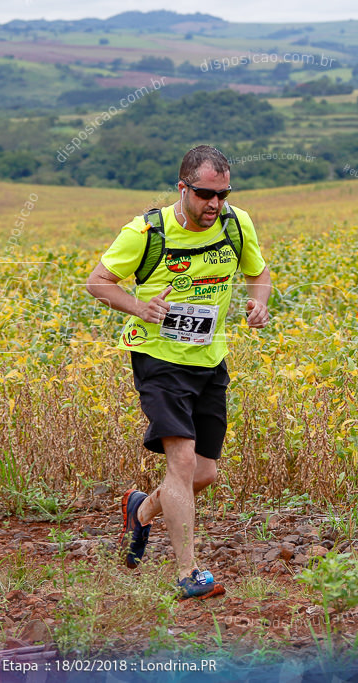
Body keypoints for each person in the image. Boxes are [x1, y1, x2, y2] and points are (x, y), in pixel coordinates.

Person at [86, 145, 270, 600]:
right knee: (182, 464)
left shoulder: (235, 223)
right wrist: (138, 306)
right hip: (158, 358)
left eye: (223, 194)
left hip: (209, 359)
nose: (215, 204)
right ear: (183, 188)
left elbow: (259, 273)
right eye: (206, 194)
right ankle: (188, 574)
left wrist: (259, 301)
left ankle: (141, 511)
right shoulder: (146, 231)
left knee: (203, 474)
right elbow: (97, 282)